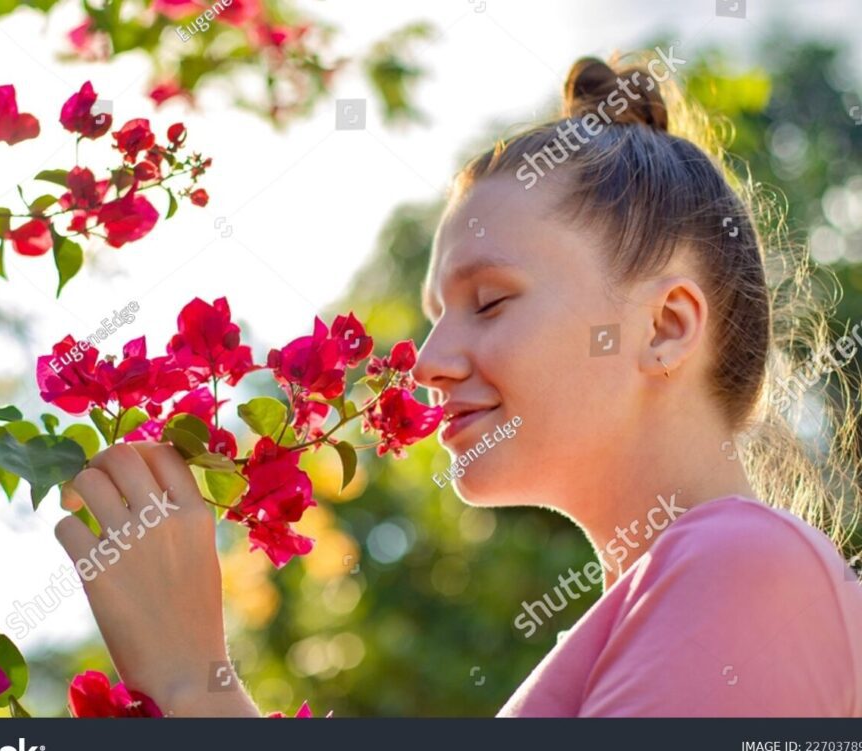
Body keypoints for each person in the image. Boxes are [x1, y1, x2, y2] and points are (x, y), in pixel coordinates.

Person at [53, 53, 862, 717]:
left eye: (491, 301)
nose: (428, 359)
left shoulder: (745, 565)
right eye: (437, 313)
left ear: (666, 326)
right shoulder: (650, 612)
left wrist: (197, 682)